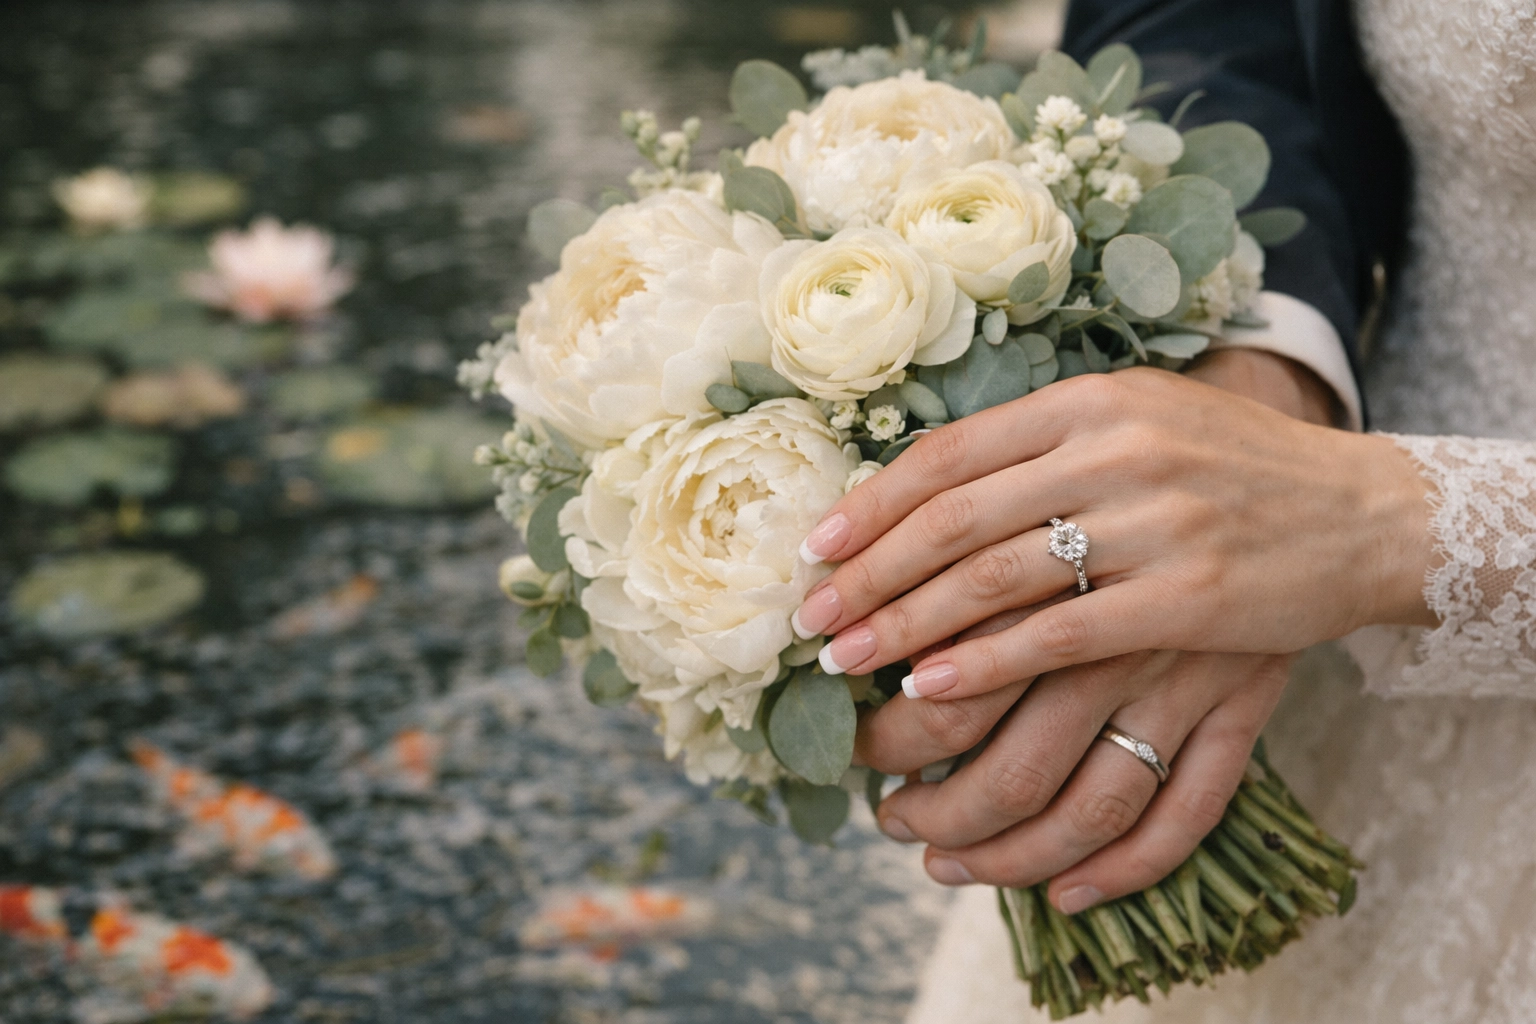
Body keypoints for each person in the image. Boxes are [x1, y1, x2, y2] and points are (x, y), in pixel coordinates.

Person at [790, 1, 1536, 1020]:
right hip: (1289, 551)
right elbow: (1210, 26)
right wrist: (1258, 387)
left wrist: (1385, 526)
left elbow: (1354, 520)